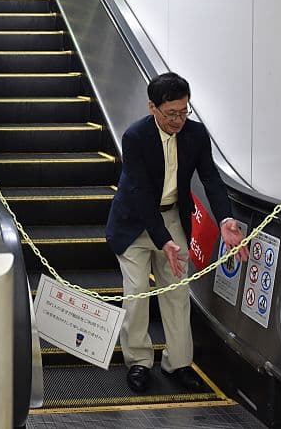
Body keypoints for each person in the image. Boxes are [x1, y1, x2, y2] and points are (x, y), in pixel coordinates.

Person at [106, 72, 247, 394]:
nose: (179, 120)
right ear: (152, 108)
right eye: (171, 113)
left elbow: (210, 178)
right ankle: (139, 362)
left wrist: (226, 219)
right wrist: (162, 239)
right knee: (137, 294)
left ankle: (178, 362)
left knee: (177, 294)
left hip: (172, 219)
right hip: (134, 225)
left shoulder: (195, 135)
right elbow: (139, 192)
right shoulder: (135, 136)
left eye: (184, 111)